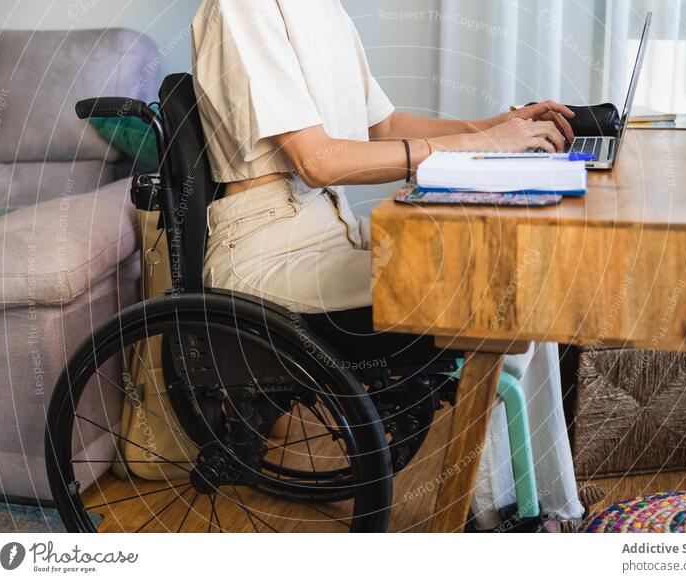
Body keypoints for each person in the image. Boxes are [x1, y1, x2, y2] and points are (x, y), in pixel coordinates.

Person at [190, 0, 584, 530]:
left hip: (325, 230)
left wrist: (502, 124)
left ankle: (539, 505)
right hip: (268, 250)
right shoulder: (243, 9)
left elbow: (386, 124)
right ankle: (501, 518)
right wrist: (480, 146)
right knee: (485, 287)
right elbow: (318, 161)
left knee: (514, 270)